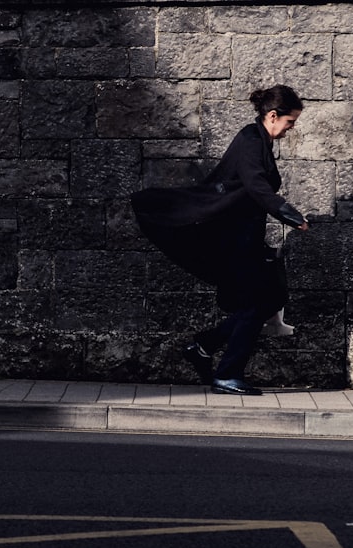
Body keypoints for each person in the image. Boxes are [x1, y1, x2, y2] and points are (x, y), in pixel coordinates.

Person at [131, 85, 310, 396]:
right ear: (272, 116)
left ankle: (204, 345)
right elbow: (256, 185)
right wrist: (290, 214)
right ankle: (226, 372)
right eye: (290, 122)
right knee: (260, 302)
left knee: (267, 299)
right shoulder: (251, 140)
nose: (291, 128)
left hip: (245, 238)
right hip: (232, 237)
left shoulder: (259, 140)